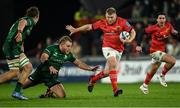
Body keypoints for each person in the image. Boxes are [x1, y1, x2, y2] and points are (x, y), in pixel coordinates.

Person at [66, 7, 136, 97]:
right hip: (107, 48)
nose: (109, 19)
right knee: (112, 62)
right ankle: (115, 90)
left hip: (119, 50)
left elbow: (133, 31)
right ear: (105, 16)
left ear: (116, 16)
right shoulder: (102, 22)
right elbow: (89, 27)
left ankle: (93, 79)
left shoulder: (122, 22)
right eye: (108, 17)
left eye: (111, 17)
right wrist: (76, 29)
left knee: (108, 72)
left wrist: (130, 40)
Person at [22, 36, 99, 99]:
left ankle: (48, 93)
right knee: (22, 86)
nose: (69, 48)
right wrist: (50, 66)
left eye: (70, 46)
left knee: (62, 96)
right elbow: (43, 57)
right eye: (68, 46)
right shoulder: (52, 48)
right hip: (39, 74)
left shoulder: (68, 54)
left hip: (51, 78)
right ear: (61, 44)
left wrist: (90, 68)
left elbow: (78, 63)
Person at [0, 6, 40, 100]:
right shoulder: (29, 20)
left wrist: (22, 48)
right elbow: (23, 23)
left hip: (15, 48)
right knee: (14, 72)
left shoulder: (23, 20)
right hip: (12, 47)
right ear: (37, 16)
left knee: (28, 67)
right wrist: (19, 32)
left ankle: (17, 92)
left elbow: (22, 37)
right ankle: (17, 92)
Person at [136, 12, 178, 94]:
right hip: (154, 52)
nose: (162, 20)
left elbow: (174, 36)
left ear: (165, 19)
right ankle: (162, 75)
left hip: (161, 51)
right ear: (157, 19)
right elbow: (141, 32)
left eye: (163, 18)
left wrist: (175, 34)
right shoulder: (153, 28)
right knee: (172, 61)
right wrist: (138, 45)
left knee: (154, 69)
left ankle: (144, 85)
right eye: (160, 18)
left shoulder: (169, 26)